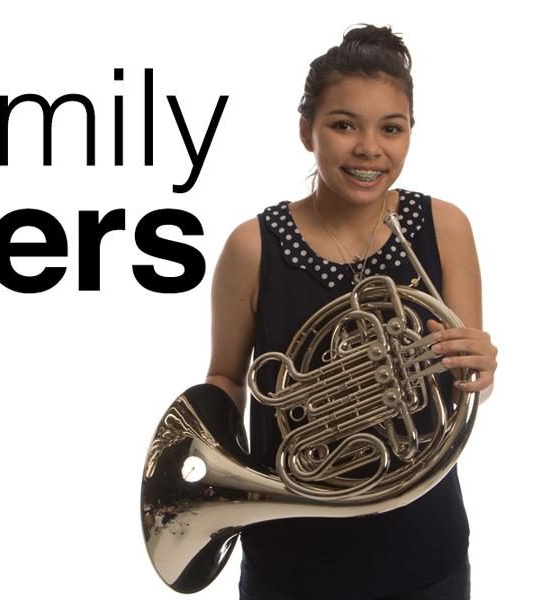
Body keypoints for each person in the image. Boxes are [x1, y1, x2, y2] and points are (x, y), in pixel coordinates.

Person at [205, 25, 498, 600]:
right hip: (291, 553)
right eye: (344, 125)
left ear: (410, 133)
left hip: (422, 546)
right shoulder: (251, 246)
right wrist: (214, 464)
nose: (370, 148)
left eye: (392, 128)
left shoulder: (445, 227)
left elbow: (465, 385)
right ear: (305, 131)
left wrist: (479, 370)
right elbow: (227, 378)